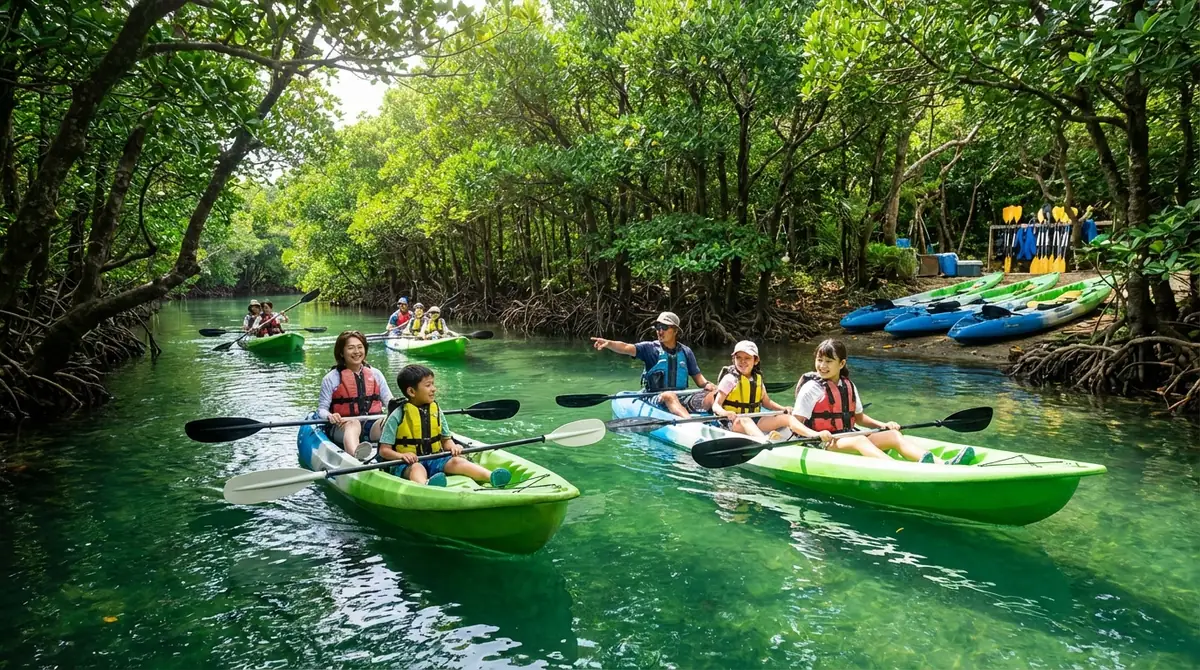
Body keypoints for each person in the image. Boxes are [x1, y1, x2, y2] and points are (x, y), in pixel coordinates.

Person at [791, 338, 973, 465]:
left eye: (829, 361)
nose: (822, 366)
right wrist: (817, 434)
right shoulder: (812, 388)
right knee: (860, 440)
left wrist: (884, 424)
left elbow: (859, 418)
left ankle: (941, 463)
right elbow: (794, 423)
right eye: (819, 360)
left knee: (893, 436)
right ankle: (897, 468)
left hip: (846, 435)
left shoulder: (848, 385)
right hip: (823, 442)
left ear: (841, 363)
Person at [378, 364, 511, 488]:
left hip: (435, 458)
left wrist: (453, 447)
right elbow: (384, 450)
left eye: (433, 384)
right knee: (417, 468)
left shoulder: (436, 410)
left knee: (457, 461)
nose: (433, 389)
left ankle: (491, 477)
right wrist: (401, 456)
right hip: (407, 464)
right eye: (428, 385)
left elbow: (446, 440)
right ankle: (426, 485)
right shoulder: (398, 415)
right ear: (412, 391)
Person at [590, 311, 715, 419]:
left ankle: (725, 422)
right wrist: (609, 343)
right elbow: (625, 347)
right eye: (657, 327)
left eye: (664, 327)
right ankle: (689, 424)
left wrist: (710, 385)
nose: (660, 331)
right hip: (656, 398)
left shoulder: (686, 352)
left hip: (682, 397)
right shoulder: (649, 349)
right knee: (669, 395)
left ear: (675, 330)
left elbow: (700, 380)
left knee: (712, 396)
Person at [318, 330, 394, 459]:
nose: (357, 352)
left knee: (389, 422)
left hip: (371, 425)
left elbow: (390, 401)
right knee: (354, 424)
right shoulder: (331, 378)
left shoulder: (375, 374)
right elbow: (322, 409)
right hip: (343, 426)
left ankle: (395, 458)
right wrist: (330, 416)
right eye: (351, 348)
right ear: (341, 352)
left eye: (360, 347)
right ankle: (356, 456)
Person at [712, 340, 807, 442]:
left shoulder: (757, 379)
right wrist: (725, 412)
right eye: (738, 357)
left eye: (747, 358)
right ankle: (765, 441)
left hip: (754, 419)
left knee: (786, 418)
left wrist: (783, 408)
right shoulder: (729, 379)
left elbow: (767, 402)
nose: (742, 361)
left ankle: (810, 436)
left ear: (755, 360)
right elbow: (716, 405)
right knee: (745, 420)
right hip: (732, 422)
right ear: (733, 359)